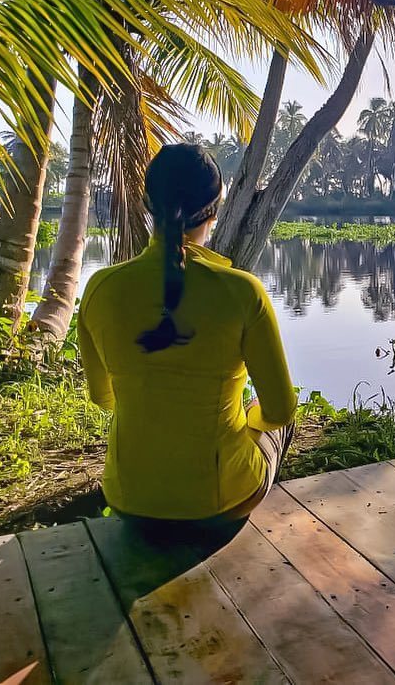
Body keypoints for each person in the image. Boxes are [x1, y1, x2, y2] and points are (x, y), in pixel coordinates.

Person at [77, 143, 296, 531]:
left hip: (129, 501)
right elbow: (280, 411)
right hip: (219, 503)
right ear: (214, 210)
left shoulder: (100, 288)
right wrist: (249, 419)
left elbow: (102, 398)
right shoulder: (243, 292)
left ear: (147, 202)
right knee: (273, 415)